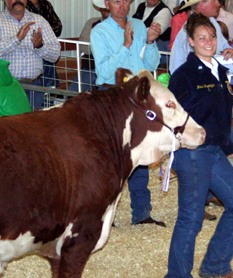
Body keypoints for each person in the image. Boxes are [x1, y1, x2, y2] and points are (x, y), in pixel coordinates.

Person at [166, 13, 233, 278]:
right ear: (190, 41)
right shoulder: (184, 75)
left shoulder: (220, 69)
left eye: (212, 36)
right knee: (191, 220)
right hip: (191, 153)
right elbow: (175, 118)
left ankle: (215, 267)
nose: (208, 41)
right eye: (201, 37)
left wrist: (226, 145)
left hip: (212, 151)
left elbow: (221, 112)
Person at [90, 0, 165, 226]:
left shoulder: (140, 26)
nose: (122, 5)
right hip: (111, 95)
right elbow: (103, 71)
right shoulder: (99, 32)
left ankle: (142, 213)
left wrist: (150, 42)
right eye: (116, 1)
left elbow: (152, 63)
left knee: (140, 152)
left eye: (125, 0)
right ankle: (104, 216)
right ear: (107, 4)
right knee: (111, 156)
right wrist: (125, 46)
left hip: (138, 95)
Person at [0, 0, 61, 108]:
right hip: (6, 86)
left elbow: (55, 55)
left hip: (34, 87)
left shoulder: (39, 21)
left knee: (33, 124)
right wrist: (17, 39)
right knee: (10, 124)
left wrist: (40, 46)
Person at [169, 0, 233, 76]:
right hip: (192, 82)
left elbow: (224, 44)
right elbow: (198, 65)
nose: (218, 4)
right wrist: (231, 68)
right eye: (214, 1)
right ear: (202, 4)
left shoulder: (212, 22)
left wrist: (229, 50)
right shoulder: (188, 32)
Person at [68, 5, 110, 92]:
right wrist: (106, 49)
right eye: (104, 4)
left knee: (105, 97)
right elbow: (83, 46)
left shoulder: (122, 25)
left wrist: (95, 47)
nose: (106, 7)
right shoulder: (92, 22)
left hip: (110, 70)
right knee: (72, 94)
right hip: (90, 67)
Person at [26, 0, 62, 88]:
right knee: (43, 54)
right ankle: (50, 86)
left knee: (47, 51)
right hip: (29, 43)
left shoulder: (46, 4)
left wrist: (44, 34)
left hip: (44, 43)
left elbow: (58, 27)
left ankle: (50, 87)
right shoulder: (23, 4)